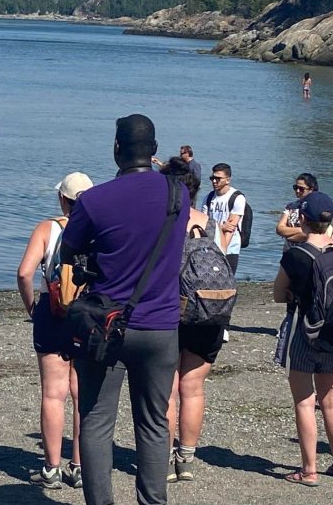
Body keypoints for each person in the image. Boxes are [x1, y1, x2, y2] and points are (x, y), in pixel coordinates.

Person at [60, 115, 189, 505]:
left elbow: (70, 252)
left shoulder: (95, 200)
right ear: (153, 149)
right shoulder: (177, 195)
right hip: (160, 325)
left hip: (106, 323)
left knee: (97, 423)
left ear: (115, 148)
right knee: (153, 424)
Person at [15, 172, 93, 490]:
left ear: (62, 198)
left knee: (53, 393)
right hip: (87, 314)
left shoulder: (48, 228)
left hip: (53, 310)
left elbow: (24, 273)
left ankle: (52, 468)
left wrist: (32, 307)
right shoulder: (99, 229)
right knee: (81, 393)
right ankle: (79, 465)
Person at [272, 191, 333, 486]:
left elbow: (279, 295)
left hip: (304, 329)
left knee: (305, 402)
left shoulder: (295, 254)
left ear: (302, 219)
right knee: (331, 400)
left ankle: (309, 470)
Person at [159, 157, 223, 484]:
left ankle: (165, 461)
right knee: (193, 387)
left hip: (171, 310)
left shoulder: (164, 219)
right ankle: (186, 458)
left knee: (168, 390)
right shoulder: (210, 223)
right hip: (209, 310)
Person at [203, 163, 246, 274]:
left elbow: (230, 229)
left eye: (218, 178)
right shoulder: (208, 198)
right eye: (212, 178)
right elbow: (203, 225)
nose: (214, 181)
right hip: (210, 247)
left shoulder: (237, 198)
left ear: (227, 180)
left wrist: (222, 252)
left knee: (227, 284)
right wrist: (221, 226)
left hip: (230, 248)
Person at [276, 173, 319, 251]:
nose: (298, 191)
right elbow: (280, 229)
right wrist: (300, 229)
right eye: (295, 188)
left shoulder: (316, 208)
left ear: (311, 189)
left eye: (301, 189)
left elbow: (309, 234)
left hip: (307, 252)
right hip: (288, 251)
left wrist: (288, 236)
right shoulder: (291, 206)